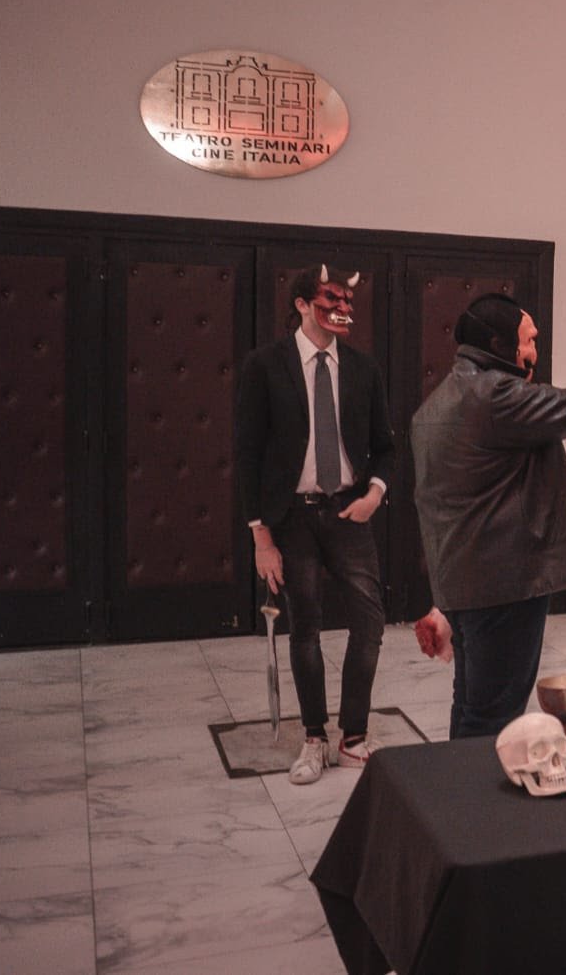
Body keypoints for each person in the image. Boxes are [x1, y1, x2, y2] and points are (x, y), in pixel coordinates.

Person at [410, 294, 566, 738]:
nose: (533, 352)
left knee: (471, 705)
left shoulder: (438, 402)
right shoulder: (494, 395)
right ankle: (480, 786)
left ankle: (458, 782)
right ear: (498, 344)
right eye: (528, 341)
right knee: (493, 716)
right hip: (503, 586)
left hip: (464, 583)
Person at [234, 264, 395, 785]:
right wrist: (261, 536)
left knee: (369, 621)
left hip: (349, 509)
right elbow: (247, 454)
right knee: (305, 626)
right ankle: (313, 737)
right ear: (303, 304)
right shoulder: (265, 365)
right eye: (330, 300)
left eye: (347, 301)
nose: (342, 309)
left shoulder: (363, 368)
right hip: (292, 517)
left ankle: (353, 736)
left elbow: (386, 447)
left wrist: (375, 493)